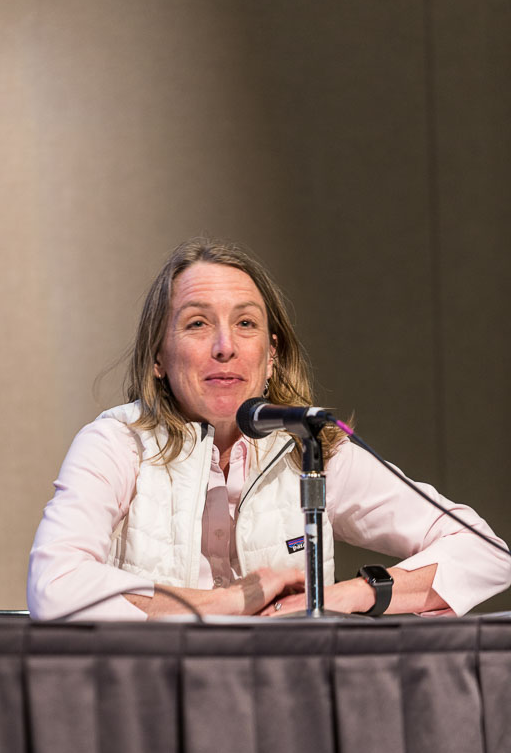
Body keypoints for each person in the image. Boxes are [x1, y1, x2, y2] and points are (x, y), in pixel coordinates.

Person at [27, 239, 510, 621]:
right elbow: (56, 586)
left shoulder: (311, 448)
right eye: (197, 324)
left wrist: (348, 595)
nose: (225, 346)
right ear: (158, 357)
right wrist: (227, 602)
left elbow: (486, 553)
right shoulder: (117, 443)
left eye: (245, 324)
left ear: (271, 354)